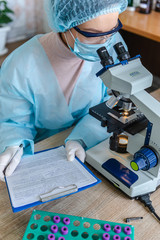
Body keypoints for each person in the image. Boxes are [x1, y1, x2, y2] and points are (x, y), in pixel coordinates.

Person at [0, 0, 128, 181]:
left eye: (113, 29)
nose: (104, 43)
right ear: (64, 25)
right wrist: (13, 145)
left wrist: (83, 137)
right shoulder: (20, 65)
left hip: (93, 146)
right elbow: (14, 122)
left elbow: (110, 102)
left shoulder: (112, 44)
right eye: (92, 34)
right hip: (41, 152)